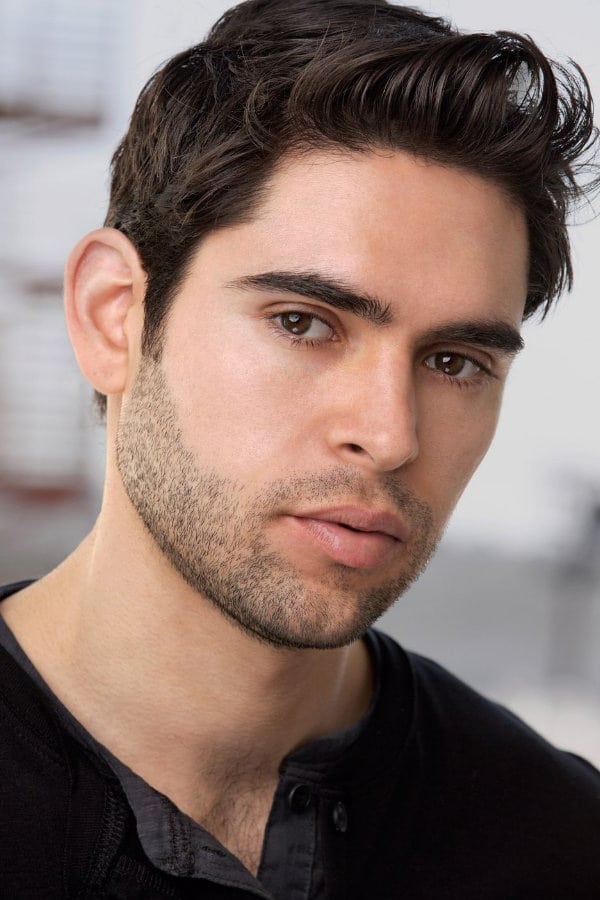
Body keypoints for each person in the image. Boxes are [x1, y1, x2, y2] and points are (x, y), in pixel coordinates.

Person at [1, 0, 599, 896]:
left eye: (454, 361)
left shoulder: (560, 842)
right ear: (113, 316)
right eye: (303, 323)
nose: (390, 436)